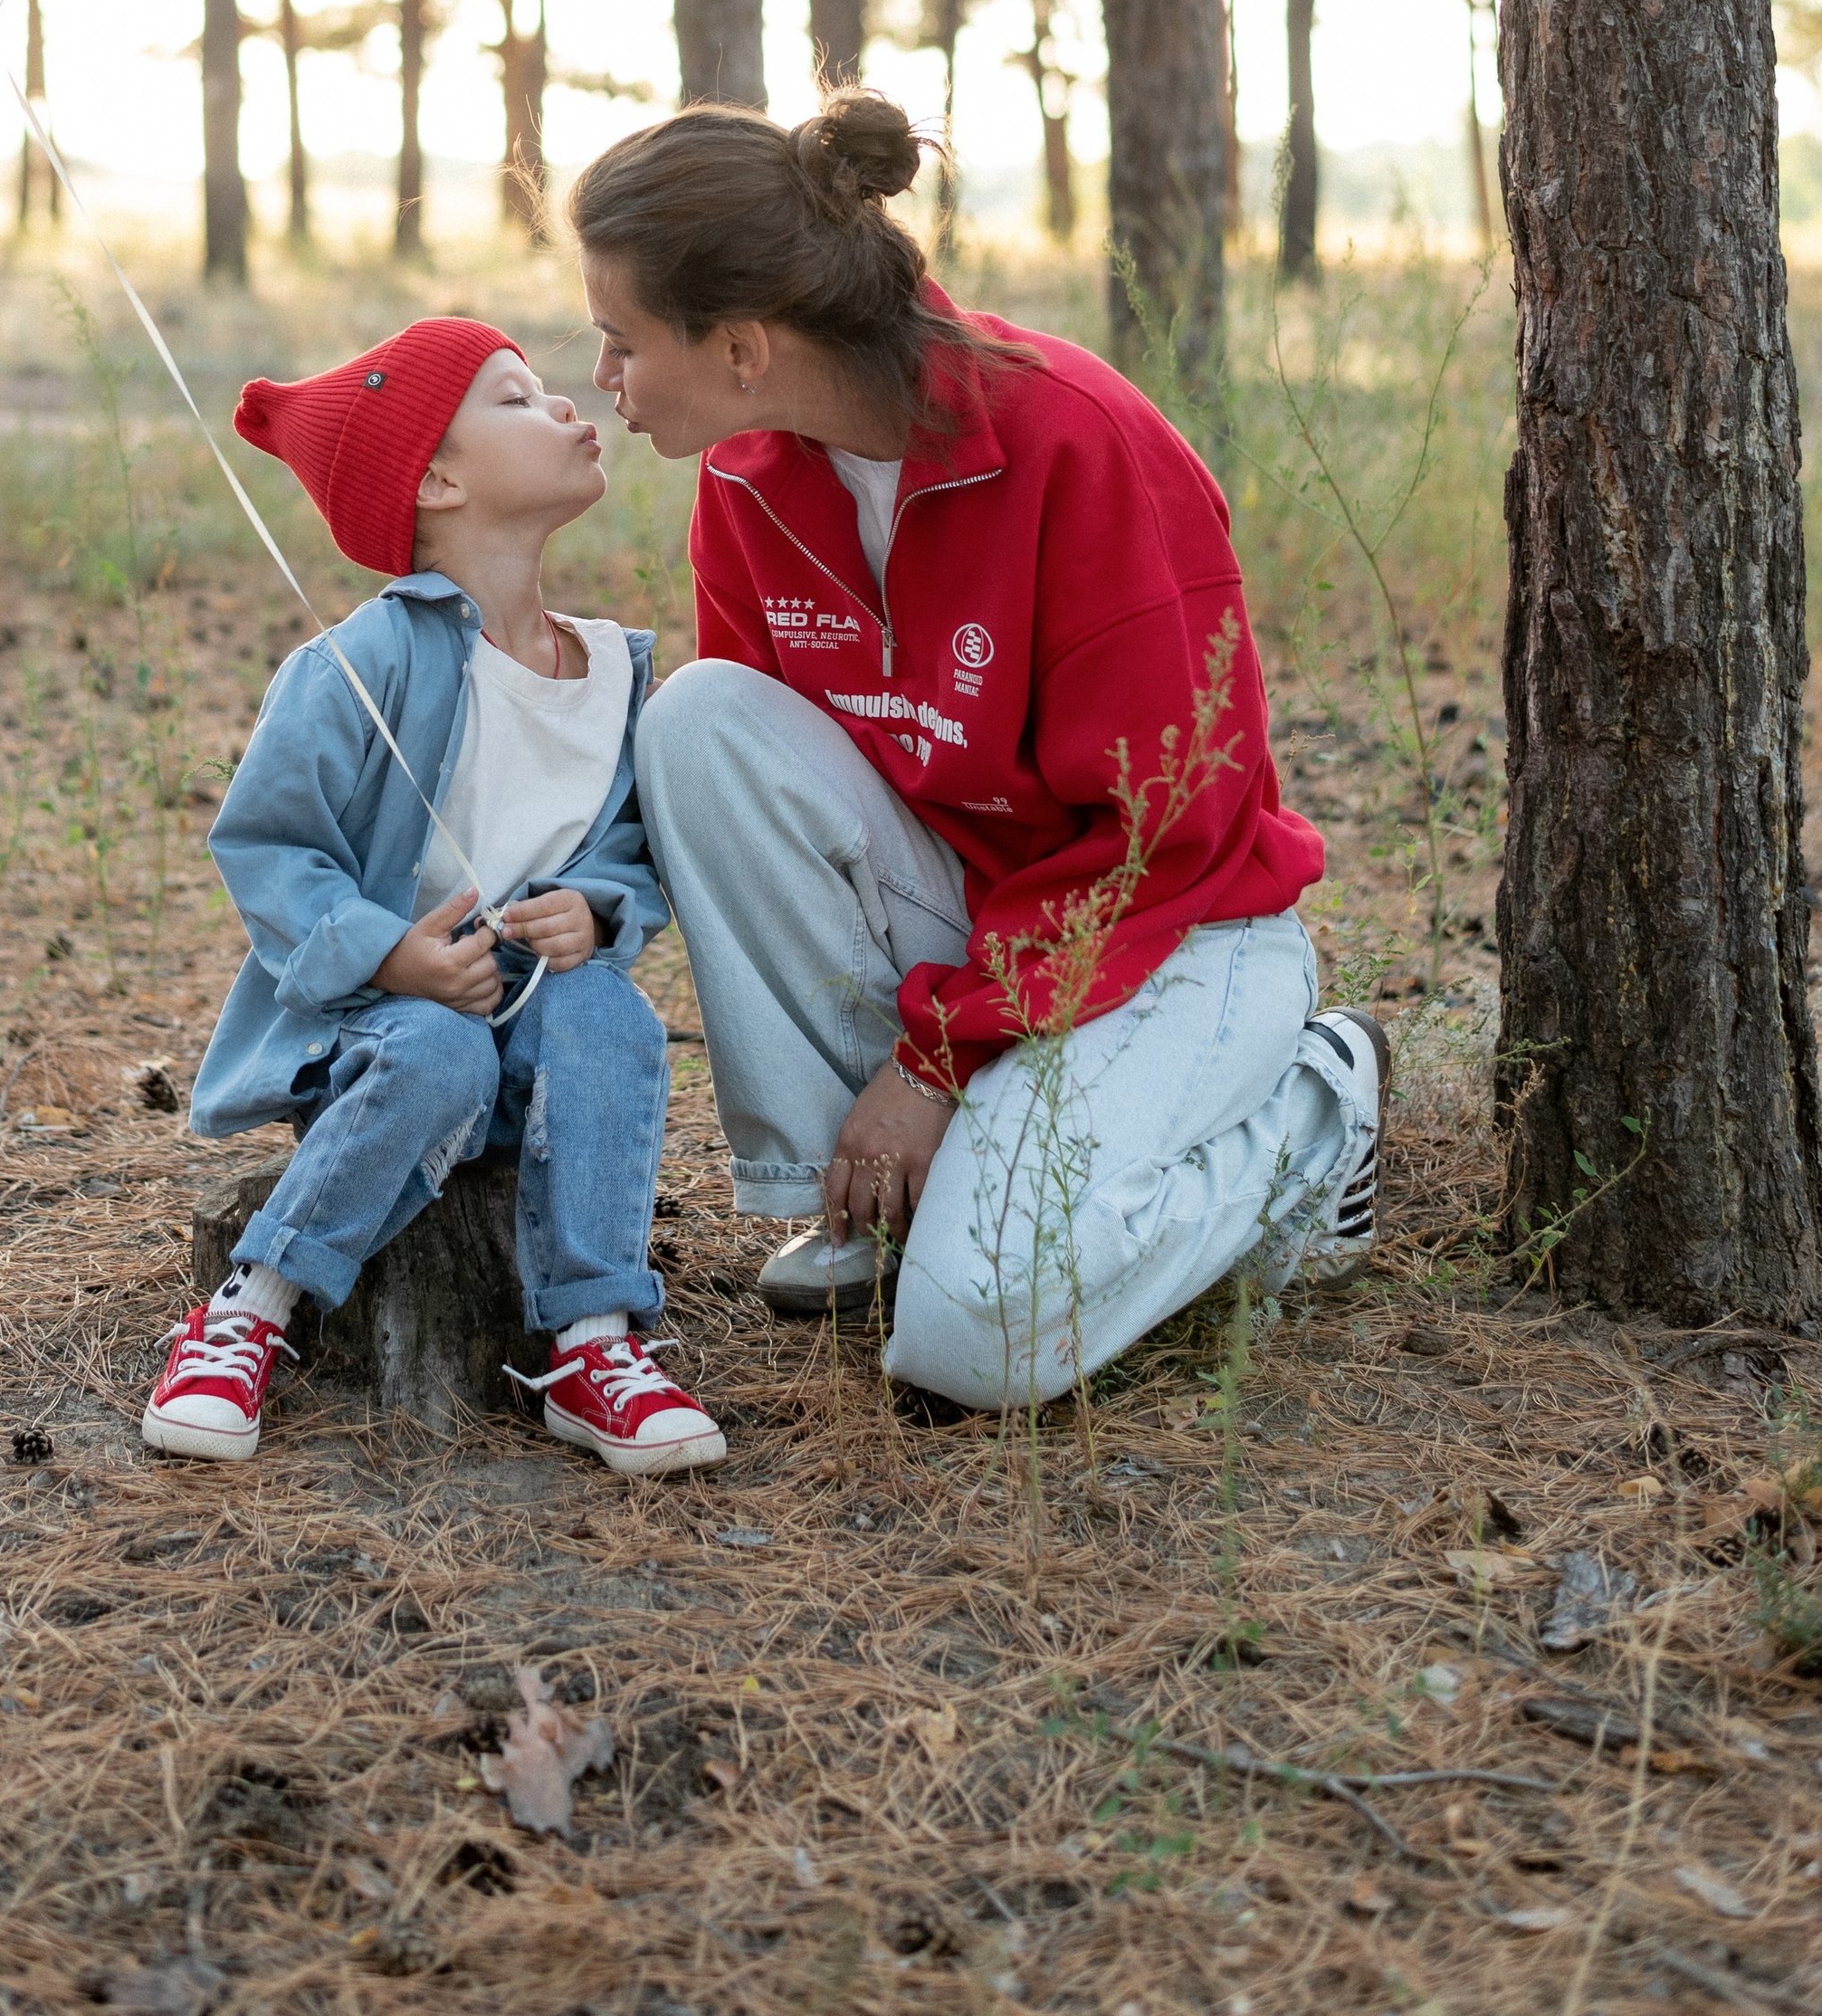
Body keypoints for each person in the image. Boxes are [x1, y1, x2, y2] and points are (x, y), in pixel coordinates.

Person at [568, 93, 1386, 1415]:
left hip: (1178, 934)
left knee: (974, 1344)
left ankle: (1313, 1113)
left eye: (620, 342)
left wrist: (937, 1057)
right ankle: (868, 1205)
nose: (601, 380)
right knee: (702, 717)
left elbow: (1160, 834)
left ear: (740, 345)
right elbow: (780, 802)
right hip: (982, 917)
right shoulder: (747, 478)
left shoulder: (1080, 441)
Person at [144, 316, 723, 1478]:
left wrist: (598, 911)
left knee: (607, 1007)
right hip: (383, 1037)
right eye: (517, 397)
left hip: (544, 1046)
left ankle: (592, 1342)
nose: (568, 407)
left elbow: (625, 844)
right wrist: (387, 956)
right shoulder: (360, 666)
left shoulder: (615, 669)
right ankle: (249, 1310)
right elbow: (269, 844)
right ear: (441, 478)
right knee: (439, 1052)